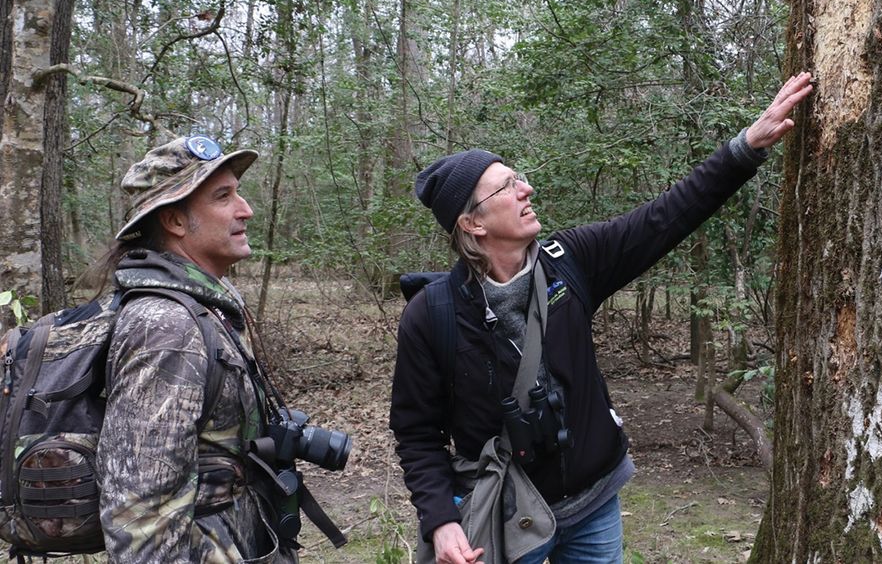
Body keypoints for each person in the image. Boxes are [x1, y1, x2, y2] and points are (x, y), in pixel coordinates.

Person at [390, 73, 814, 564]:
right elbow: (417, 433)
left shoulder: (570, 259)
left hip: (594, 503)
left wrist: (747, 146)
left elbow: (665, 217)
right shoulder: (433, 314)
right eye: (506, 186)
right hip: (504, 514)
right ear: (473, 223)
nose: (526, 188)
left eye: (517, 176)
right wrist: (441, 520)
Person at [93, 135, 295, 563]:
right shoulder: (165, 327)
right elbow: (140, 514)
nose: (246, 210)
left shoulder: (208, 304)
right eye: (224, 197)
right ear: (175, 221)